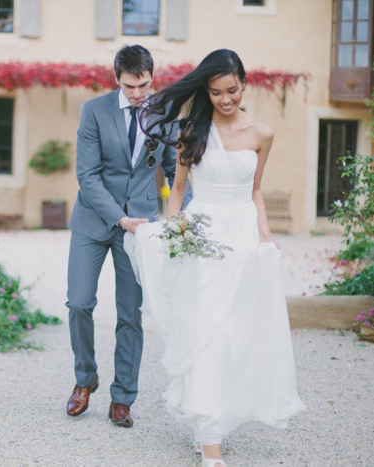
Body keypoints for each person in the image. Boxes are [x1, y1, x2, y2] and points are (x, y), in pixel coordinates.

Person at [125, 49, 305, 466]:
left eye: (232, 90)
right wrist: (173, 230)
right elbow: (179, 189)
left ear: (244, 83)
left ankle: (213, 419)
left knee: (237, 333)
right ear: (206, 92)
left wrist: (265, 236)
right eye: (216, 92)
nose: (225, 99)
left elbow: (256, 190)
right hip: (203, 235)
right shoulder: (193, 129)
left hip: (241, 236)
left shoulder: (263, 133)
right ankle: (210, 442)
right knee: (206, 332)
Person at [65, 45, 191, 428]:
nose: (138, 93)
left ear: (153, 77)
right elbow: (87, 175)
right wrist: (119, 219)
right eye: (131, 85)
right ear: (116, 78)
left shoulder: (164, 114)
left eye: (144, 85)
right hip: (93, 221)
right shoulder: (94, 111)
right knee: (79, 303)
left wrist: (185, 215)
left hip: (141, 227)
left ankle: (123, 398)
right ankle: (85, 379)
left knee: (130, 315)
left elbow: (173, 170)